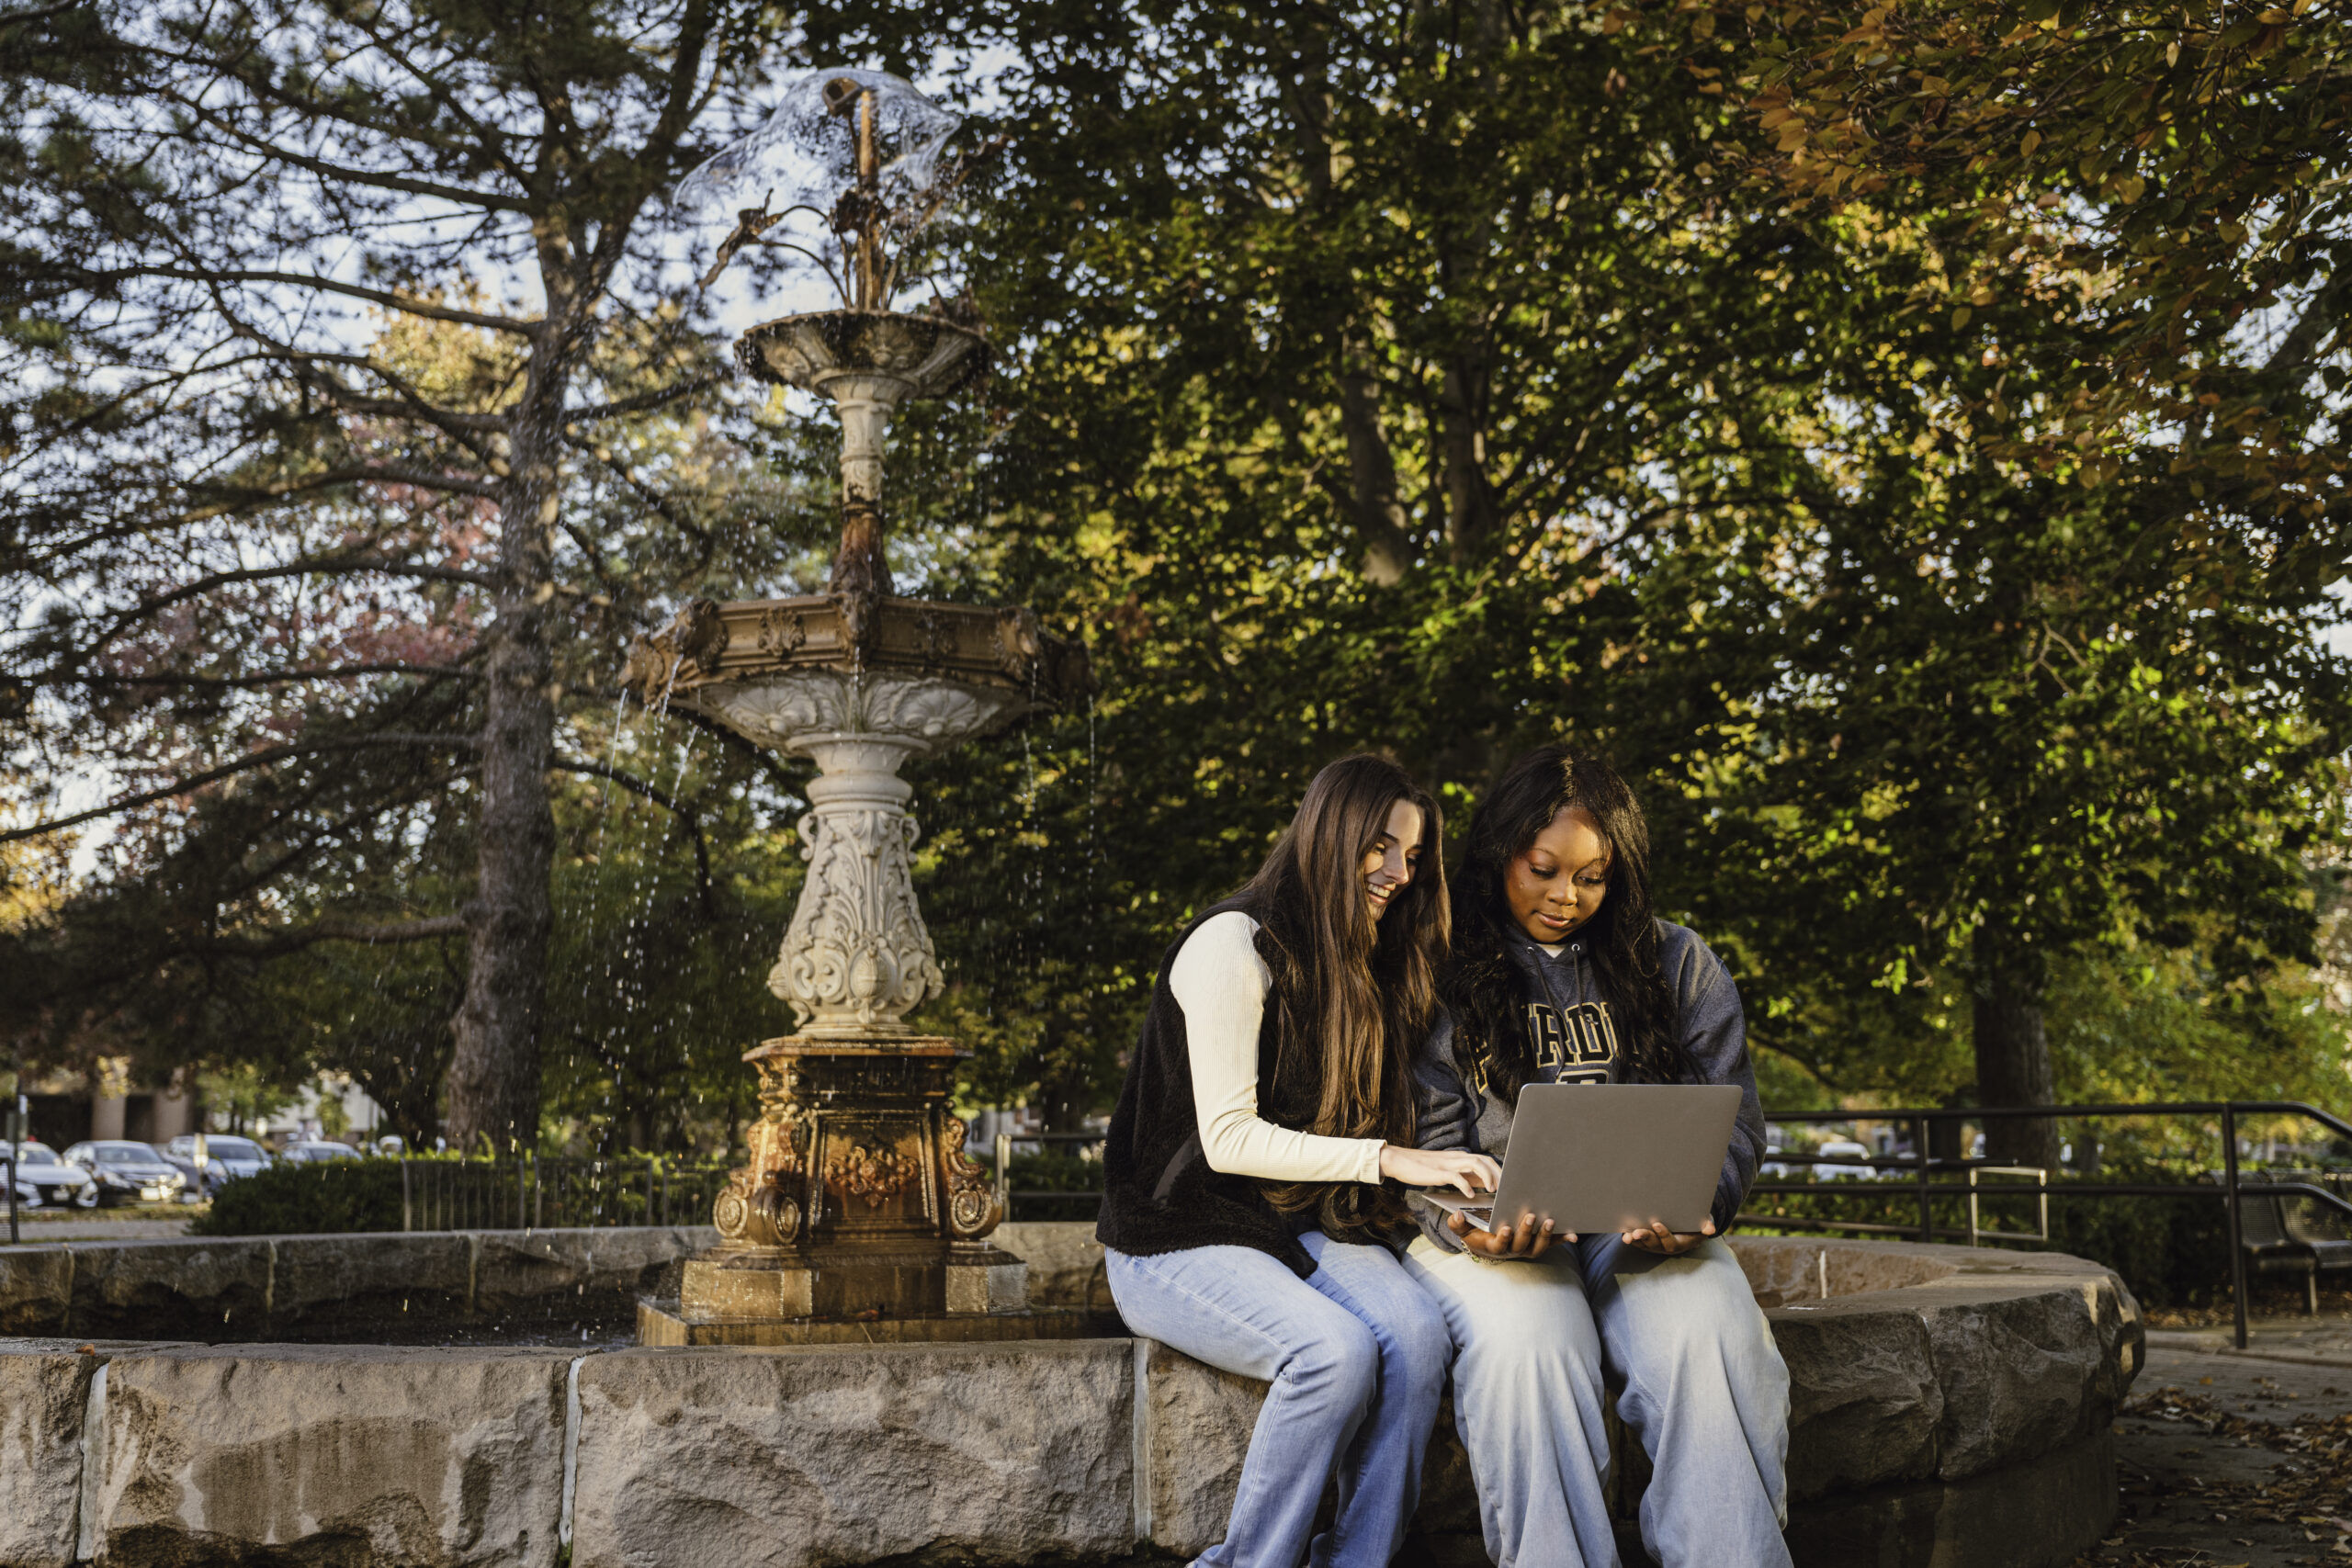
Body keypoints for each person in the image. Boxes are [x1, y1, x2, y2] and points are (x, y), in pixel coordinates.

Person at [1097, 753, 1498, 1568]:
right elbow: (1228, 1139)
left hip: (1288, 1221)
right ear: (1329, 832)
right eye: (1378, 847)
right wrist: (1394, 1160)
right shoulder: (1232, 943)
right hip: (1176, 1231)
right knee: (1333, 1353)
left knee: (1418, 1338)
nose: (1396, 872)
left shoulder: (1363, 961)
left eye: (1412, 856)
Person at [1401, 745, 1791, 1568]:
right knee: (1529, 1349)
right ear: (1502, 850)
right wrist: (1466, 1223)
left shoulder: (1678, 962)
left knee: (1712, 1335)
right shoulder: (1438, 971)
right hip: (1497, 1243)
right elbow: (1425, 1142)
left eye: (1592, 876)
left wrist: (1703, 1208)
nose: (1565, 897)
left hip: (1646, 1235)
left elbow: (1735, 1125)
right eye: (1543, 869)